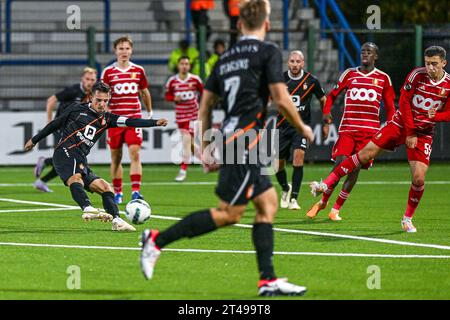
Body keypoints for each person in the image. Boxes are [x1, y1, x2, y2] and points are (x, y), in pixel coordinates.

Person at [140, 0, 314, 297]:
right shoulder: (267, 51)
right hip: (245, 141)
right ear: (267, 25)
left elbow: (205, 107)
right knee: (230, 213)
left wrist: (207, 148)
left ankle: (267, 280)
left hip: (235, 138)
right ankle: (156, 240)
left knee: (268, 203)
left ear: (238, 25)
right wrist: (303, 127)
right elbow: (281, 99)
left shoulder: (223, 59)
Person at [310, 46, 450, 233]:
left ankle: (407, 219)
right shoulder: (416, 75)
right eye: (427, 63)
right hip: (401, 124)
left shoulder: (448, 84)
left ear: (443, 63)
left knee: (418, 178)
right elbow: (404, 103)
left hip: (423, 132)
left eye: (434, 64)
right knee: (365, 154)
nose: (430, 68)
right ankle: (325, 185)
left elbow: (447, 112)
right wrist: (409, 132)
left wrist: (436, 117)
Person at [24, 81, 168, 231]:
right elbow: (55, 124)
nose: (101, 104)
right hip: (64, 152)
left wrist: (155, 122)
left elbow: (131, 121)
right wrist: (34, 140)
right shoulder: (76, 109)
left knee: (106, 188)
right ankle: (87, 207)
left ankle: (117, 221)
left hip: (81, 159)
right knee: (76, 178)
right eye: (98, 100)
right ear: (91, 97)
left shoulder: (108, 119)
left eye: (105, 101)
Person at [306, 42, 396, 221]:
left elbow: (390, 106)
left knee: (354, 170)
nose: (365, 54)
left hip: (369, 133)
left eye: (369, 52)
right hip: (348, 128)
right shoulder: (349, 73)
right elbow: (331, 96)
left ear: (375, 56)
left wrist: (390, 126)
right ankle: (323, 202)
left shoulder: (384, 78)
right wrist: (326, 112)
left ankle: (335, 209)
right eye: (363, 51)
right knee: (340, 162)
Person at [101, 36, 153, 204]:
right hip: (115, 120)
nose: (124, 52)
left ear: (131, 50)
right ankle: (118, 192)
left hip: (133, 119)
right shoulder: (108, 72)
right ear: (115, 51)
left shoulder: (138, 70)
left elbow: (144, 92)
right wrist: (105, 114)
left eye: (127, 48)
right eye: (121, 48)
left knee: (135, 153)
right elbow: (102, 96)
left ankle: (136, 192)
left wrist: (149, 111)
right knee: (116, 158)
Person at [275, 50, 327, 210]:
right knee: (277, 165)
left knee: (298, 157)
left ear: (303, 63)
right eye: (292, 61)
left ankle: (294, 199)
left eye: (298, 61)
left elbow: (324, 100)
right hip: (282, 127)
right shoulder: (280, 80)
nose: (295, 64)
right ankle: (285, 188)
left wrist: (327, 123)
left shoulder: (311, 81)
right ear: (288, 63)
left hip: (301, 127)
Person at [34, 67, 97, 193]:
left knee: (67, 162)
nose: (90, 82)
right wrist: (50, 120)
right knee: (68, 160)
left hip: (74, 130)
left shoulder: (92, 94)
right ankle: (45, 163)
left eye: (92, 80)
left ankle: (42, 180)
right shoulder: (73, 90)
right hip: (61, 128)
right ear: (82, 79)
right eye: (87, 79)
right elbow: (51, 100)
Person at [165, 56, 204, 182]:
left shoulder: (195, 79)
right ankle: (205, 160)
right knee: (191, 144)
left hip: (193, 116)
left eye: (186, 64)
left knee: (186, 142)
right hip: (180, 117)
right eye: (182, 63)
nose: (184, 66)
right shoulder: (172, 81)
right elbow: (167, 95)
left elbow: (204, 93)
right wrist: (173, 98)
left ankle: (182, 171)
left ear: (189, 66)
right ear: (178, 65)